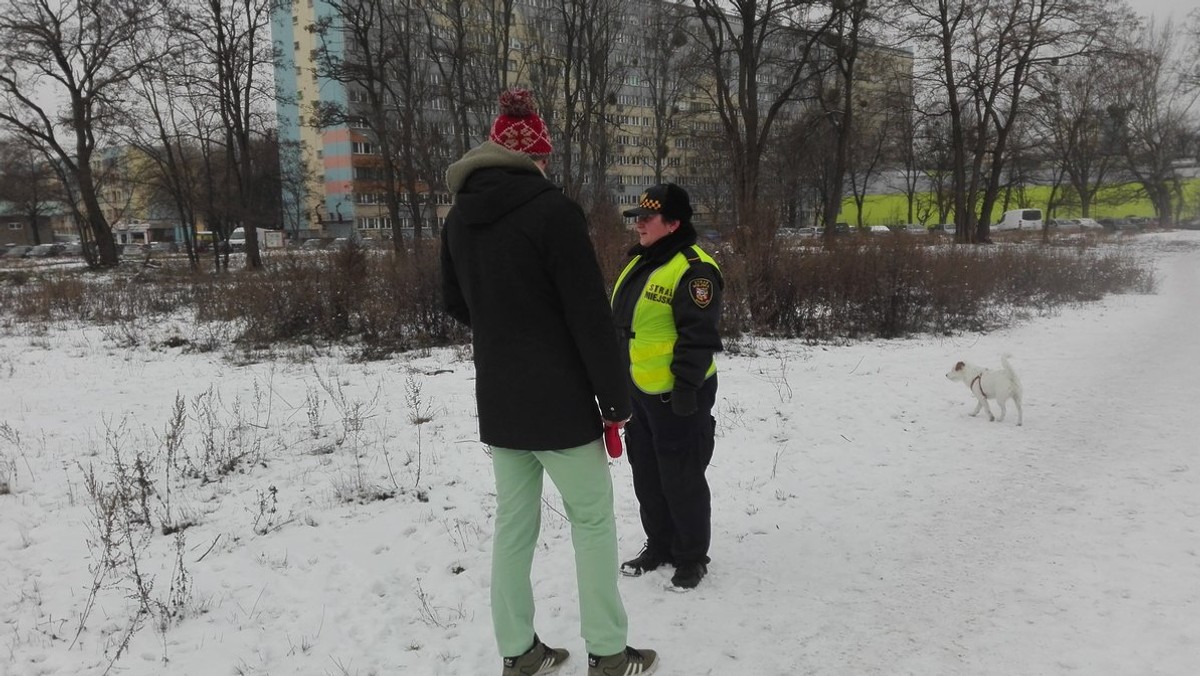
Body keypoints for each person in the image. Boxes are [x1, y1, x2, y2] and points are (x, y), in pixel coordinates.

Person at [441, 87, 659, 676]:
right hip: (561, 403)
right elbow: (589, 315)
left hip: (502, 401)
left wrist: (505, 330)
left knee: (513, 529)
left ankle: (519, 652)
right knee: (591, 523)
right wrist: (615, 400)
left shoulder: (460, 217)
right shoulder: (553, 212)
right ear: (535, 156)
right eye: (545, 159)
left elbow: (454, 302)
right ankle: (610, 654)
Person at [611, 183, 723, 591]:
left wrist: (686, 390)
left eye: (648, 218)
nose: (638, 224)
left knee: (682, 477)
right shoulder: (643, 261)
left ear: (674, 223)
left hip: (679, 395)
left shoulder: (694, 269)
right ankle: (659, 544)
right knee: (647, 473)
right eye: (637, 217)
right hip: (640, 392)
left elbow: (699, 336)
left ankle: (691, 556)